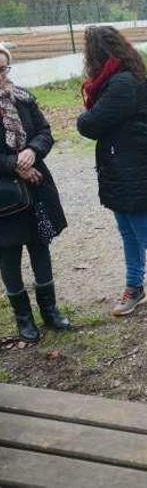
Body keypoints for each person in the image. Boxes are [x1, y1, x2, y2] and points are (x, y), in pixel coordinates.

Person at [76, 26, 147, 321]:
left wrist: (82, 117)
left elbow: (90, 124)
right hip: (120, 169)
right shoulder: (116, 80)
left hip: (134, 171)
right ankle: (134, 286)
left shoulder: (122, 84)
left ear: (98, 53)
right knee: (128, 232)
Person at [0, 45, 70, 342]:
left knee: (41, 247)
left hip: (36, 188)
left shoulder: (24, 98)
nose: (0, 75)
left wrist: (32, 150)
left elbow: (44, 131)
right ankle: (23, 319)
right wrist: (14, 164)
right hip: (4, 198)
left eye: (3, 69)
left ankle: (50, 311)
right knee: (9, 257)